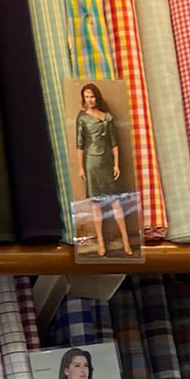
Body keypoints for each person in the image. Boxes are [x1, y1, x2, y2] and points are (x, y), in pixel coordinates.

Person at [74, 82, 134, 258]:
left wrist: (116, 164)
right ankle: (100, 241)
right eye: (86, 97)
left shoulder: (108, 117)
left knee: (116, 202)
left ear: (97, 97)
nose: (90, 100)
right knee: (96, 204)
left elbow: (114, 142)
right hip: (92, 162)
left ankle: (125, 240)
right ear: (83, 99)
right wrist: (81, 167)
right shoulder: (82, 118)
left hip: (107, 161)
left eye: (92, 96)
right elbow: (80, 144)